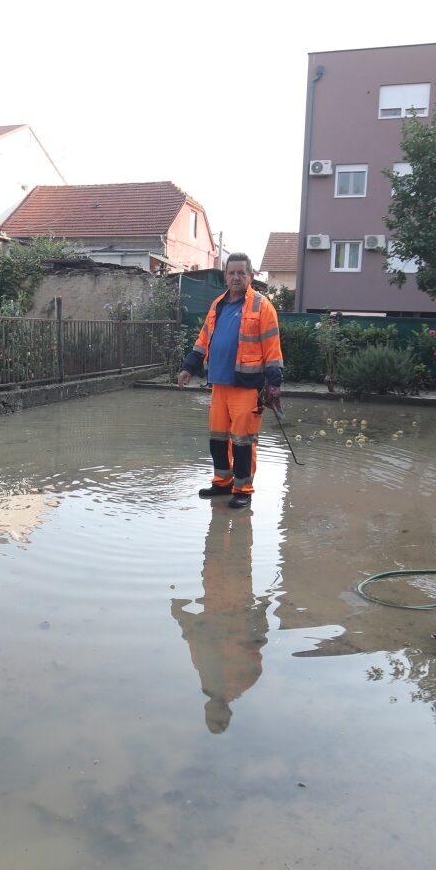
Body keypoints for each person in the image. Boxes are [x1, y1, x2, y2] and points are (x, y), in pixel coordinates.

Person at [176, 253, 284, 510]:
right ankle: (222, 483)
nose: (236, 277)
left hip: (247, 386)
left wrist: (274, 384)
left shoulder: (262, 306)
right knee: (218, 438)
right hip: (219, 385)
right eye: (231, 273)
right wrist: (188, 367)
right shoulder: (218, 305)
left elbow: (272, 348)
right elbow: (203, 340)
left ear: (250, 276)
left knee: (243, 440)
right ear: (225, 276)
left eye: (241, 273)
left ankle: (243, 489)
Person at [171, 507, 269, 734]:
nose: (210, 710)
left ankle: (226, 513)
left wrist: (181, 615)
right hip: (232, 604)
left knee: (224, 555)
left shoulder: (217, 680)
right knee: (235, 556)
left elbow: (195, 639)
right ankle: (236, 513)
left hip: (221, 602)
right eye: (215, 715)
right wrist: (262, 609)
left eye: (210, 715)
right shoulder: (240, 680)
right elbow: (257, 641)